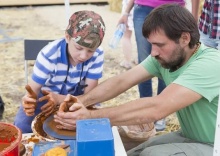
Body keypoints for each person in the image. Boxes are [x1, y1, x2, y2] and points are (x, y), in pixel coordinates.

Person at [54, 4, 220, 156]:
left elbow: (157, 108)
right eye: (151, 44)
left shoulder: (209, 64)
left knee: (151, 154)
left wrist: (90, 116)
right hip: (191, 136)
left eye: (159, 45)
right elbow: (122, 81)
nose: (153, 52)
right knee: (133, 153)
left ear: (185, 38)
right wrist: (81, 101)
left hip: (215, 145)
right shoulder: (164, 57)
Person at [14, 10, 106, 133]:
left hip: (78, 97)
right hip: (46, 98)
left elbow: (89, 96)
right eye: (79, 48)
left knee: (94, 126)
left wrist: (60, 99)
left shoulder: (98, 54)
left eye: (90, 51)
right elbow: (33, 91)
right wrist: (29, 101)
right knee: (22, 126)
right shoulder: (49, 55)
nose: (84, 56)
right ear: (67, 37)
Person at [118, 0, 185, 131]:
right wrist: (126, 12)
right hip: (143, 8)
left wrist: (193, 17)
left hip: (173, 10)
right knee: (144, 61)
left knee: (168, 61)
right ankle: (145, 113)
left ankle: (161, 112)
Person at [119, 0, 137, 69]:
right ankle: (139, 58)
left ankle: (127, 61)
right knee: (141, 35)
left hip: (129, 7)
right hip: (142, 5)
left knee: (126, 36)